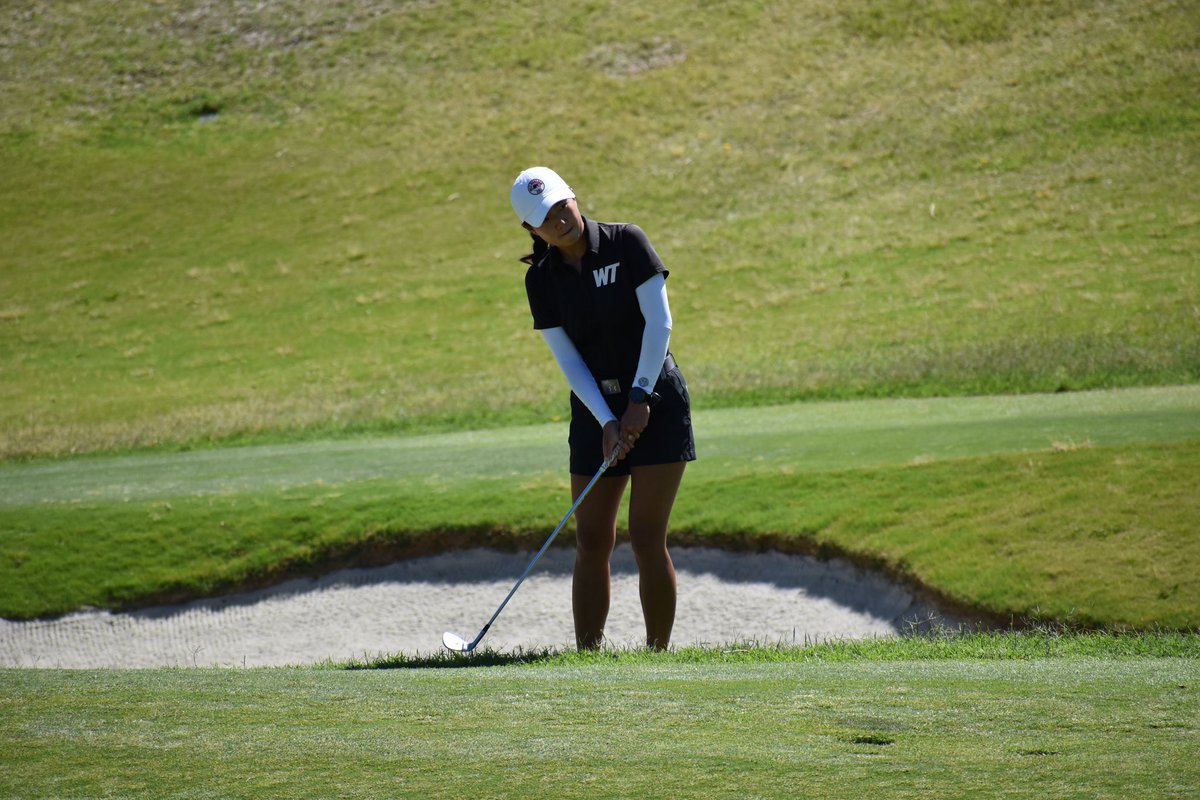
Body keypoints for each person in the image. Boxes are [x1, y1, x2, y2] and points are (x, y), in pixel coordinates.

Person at [510, 166, 696, 651]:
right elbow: (569, 359)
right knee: (592, 538)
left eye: (559, 206)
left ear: (573, 197)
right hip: (597, 409)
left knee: (645, 535)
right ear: (531, 231)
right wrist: (608, 420)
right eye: (543, 219)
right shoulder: (542, 280)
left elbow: (660, 325)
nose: (558, 221)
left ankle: (657, 655)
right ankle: (588, 657)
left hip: (657, 398)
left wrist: (638, 400)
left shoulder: (625, 242)